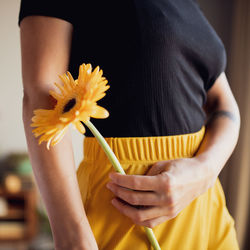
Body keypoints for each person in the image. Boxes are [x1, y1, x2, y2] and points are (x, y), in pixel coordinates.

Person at [18, 0, 240, 249]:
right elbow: (43, 94)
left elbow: (225, 105)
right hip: (129, 205)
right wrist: (72, 236)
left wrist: (204, 171)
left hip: (205, 201)